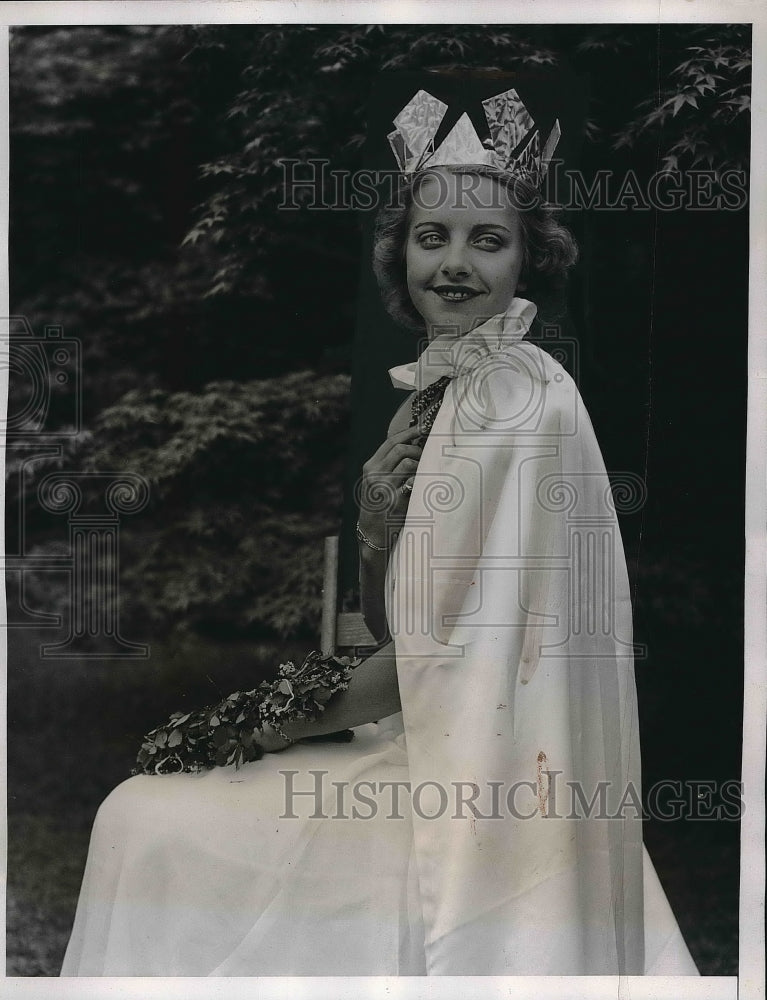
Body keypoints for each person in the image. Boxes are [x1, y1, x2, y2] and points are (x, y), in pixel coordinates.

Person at [61, 87, 698, 977]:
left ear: (529, 259)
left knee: (145, 816)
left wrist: (257, 729)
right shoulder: (461, 387)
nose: (454, 264)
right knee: (156, 811)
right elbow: (413, 632)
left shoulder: (508, 395)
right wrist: (374, 524)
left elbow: (415, 670)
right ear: (398, 251)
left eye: (487, 240)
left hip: (483, 791)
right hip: (454, 742)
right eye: (431, 236)